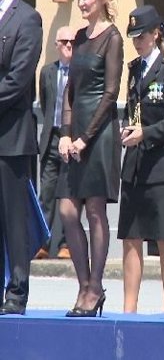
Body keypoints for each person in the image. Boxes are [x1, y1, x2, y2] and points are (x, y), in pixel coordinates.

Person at [57, 0, 124, 317]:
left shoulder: (112, 37)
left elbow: (111, 93)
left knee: (95, 211)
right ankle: (83, 284)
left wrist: (85, 138)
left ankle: (95, 287)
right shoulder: (80, 37)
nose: (81, 2)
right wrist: (66, 134)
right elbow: (70, 92)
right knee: (68, 210)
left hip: (100, 135)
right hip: (76, 132)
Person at [118, 5, 164, 313]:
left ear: (156, 34)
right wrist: (128, 131)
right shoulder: (134, 70)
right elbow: (133, 110)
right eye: (133, 37)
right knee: (131, 237)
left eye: (141, 36)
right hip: (135, 162)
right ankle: (130, 308)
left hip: (162, 165)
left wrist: (147, 132)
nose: (137, 42)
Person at [0, 0, 43, 316]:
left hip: (10, 135)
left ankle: (17, 290)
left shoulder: (27, 18)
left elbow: (17, 79)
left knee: (14, 217)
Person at [35, 26, 74, 261]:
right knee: (47, 194)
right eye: (65, 41)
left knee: (70, 195)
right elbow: (44, 102)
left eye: (73, 41)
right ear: (57, 45)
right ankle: (43, 243)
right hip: (52, 137)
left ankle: (66, 244)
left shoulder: (80, 72)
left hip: (72, 139)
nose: (70, 45)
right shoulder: (48, 72)